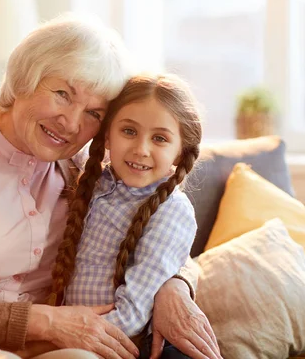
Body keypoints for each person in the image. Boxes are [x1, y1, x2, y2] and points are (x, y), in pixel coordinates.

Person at [0, 15, 221, 359]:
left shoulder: (81, 169)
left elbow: (161, 233)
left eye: (93, 112)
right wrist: (42, 322)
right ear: (25, 78)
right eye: (63, 94)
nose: (72, 123)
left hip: (64, 346)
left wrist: (173, 286)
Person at [48, 74, 203, 359]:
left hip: (119, 345)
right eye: (129, 131)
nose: (140, 149)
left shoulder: (171, 211)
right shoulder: (92, 180)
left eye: (159, 138)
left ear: (180, 153)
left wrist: (57, 340)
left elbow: (132, 314)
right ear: (107, 134)